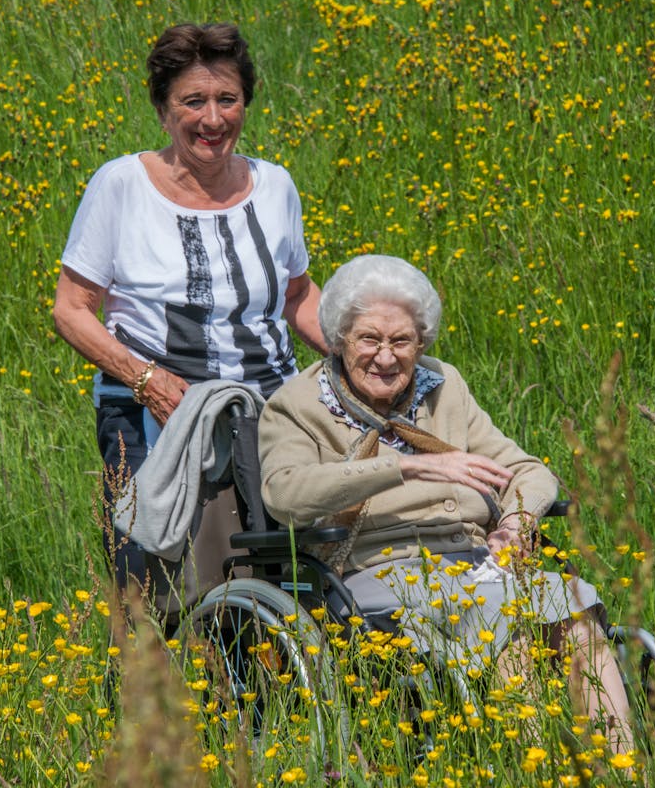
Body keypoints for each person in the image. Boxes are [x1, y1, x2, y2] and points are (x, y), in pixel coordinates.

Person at [258, 255, 635, 755]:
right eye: (369, 339)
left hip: (475, 563)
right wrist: (406, 467)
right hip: (377, 573)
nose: (385, 357)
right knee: (511, 630)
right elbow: (285, 494)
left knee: (576, 617)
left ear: (421, 342)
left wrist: (516, 522)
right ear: (339, 337)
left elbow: (528, 470)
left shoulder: (443, 385)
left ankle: (623, 768)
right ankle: (537, 768)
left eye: (401, 341)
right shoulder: (298, 403)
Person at [53, 22, 326, 591]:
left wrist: (366, 356)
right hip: (157, 410)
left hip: (271, 409)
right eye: (193, 101)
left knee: (289, 576)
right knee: (157, 588)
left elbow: (297, 295)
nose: (213, 119)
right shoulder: (121, 186)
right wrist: (145, 379)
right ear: (162, 109)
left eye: (228, 99)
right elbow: (72, 309)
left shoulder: (275, 186)